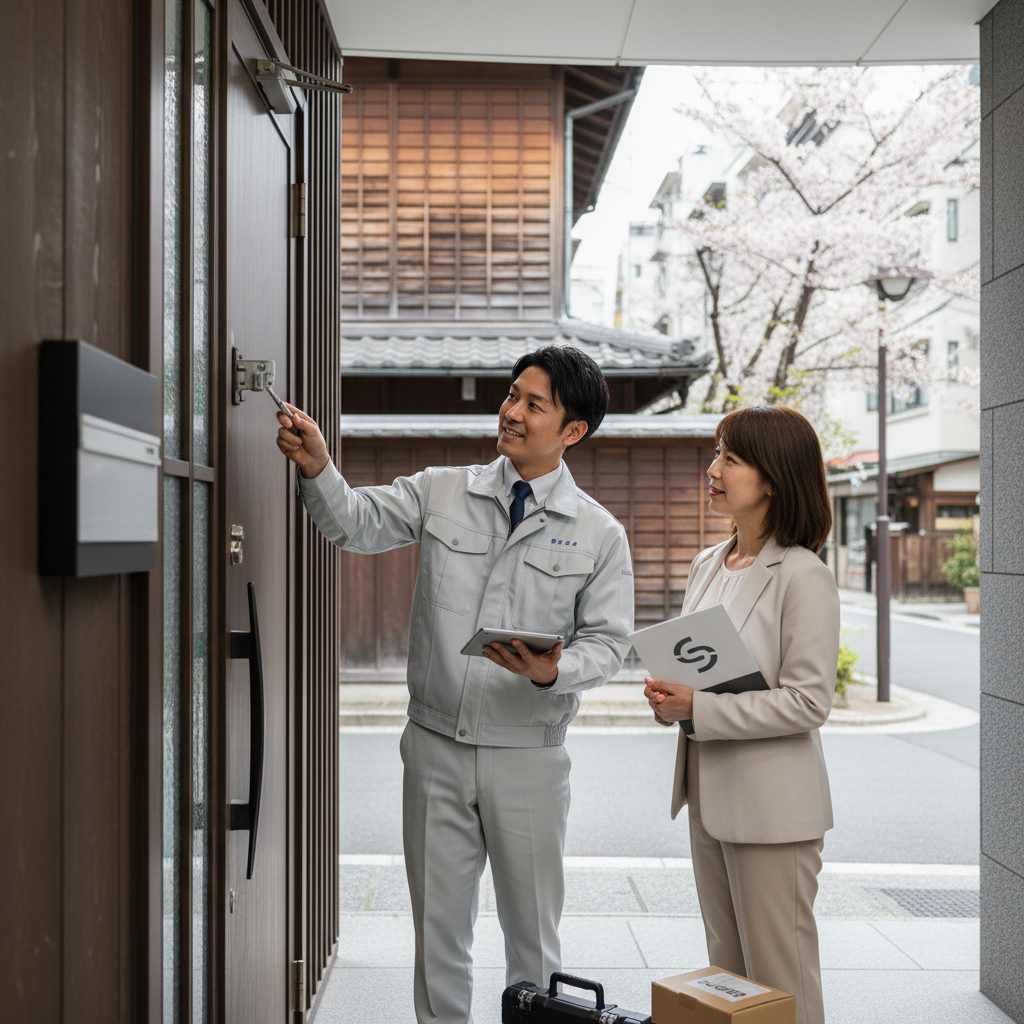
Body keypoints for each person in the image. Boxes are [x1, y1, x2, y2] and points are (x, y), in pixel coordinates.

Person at [275, 346, 634, 1024]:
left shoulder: (598, 533)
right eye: (512, 394)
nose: (512, 412)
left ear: (573, 430)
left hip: (529, 758)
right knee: (439, 936)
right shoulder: (443, 490)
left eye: (534, 404)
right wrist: (319, 466)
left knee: (534, 941)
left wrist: (553, 670)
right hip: (435, 747)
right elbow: (354, 522)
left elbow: (610, 644)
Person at [644, 405, 838, 1024]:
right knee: (728, 984)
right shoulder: (707, 564)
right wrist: (673, 703)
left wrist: (700, 707)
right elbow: (701, 675)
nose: (713, 470)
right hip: (708, 795)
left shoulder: (802, 574)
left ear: (774, 478)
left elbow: (809, 701)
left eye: (730, 458)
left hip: (773, 810)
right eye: (716, 454)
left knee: (782, 982)